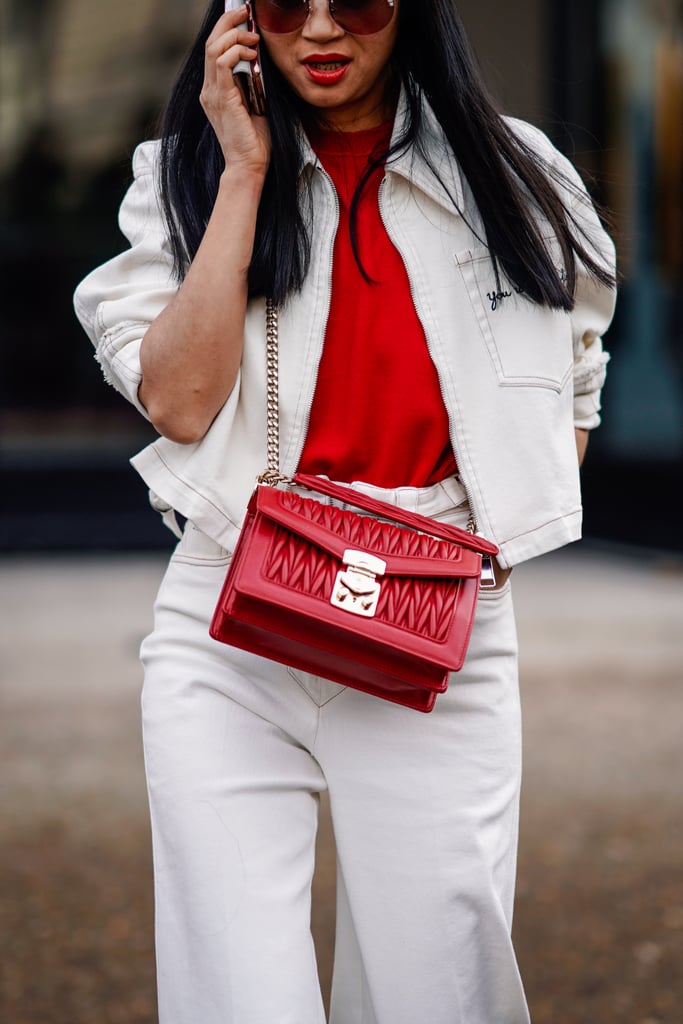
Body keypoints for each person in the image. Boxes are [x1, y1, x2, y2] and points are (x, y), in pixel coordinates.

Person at [73, 1, 617, 1021]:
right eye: (285, 3)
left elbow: (575, 372)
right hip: (232, 617)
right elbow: (179, 400)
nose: (321, 29)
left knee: (436, 993)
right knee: (237, 996)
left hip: (431, 623)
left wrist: (491, 534)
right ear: (241, 18)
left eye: (356, 0)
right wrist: (242, 172)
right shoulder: (184, 174)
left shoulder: (517, 170)